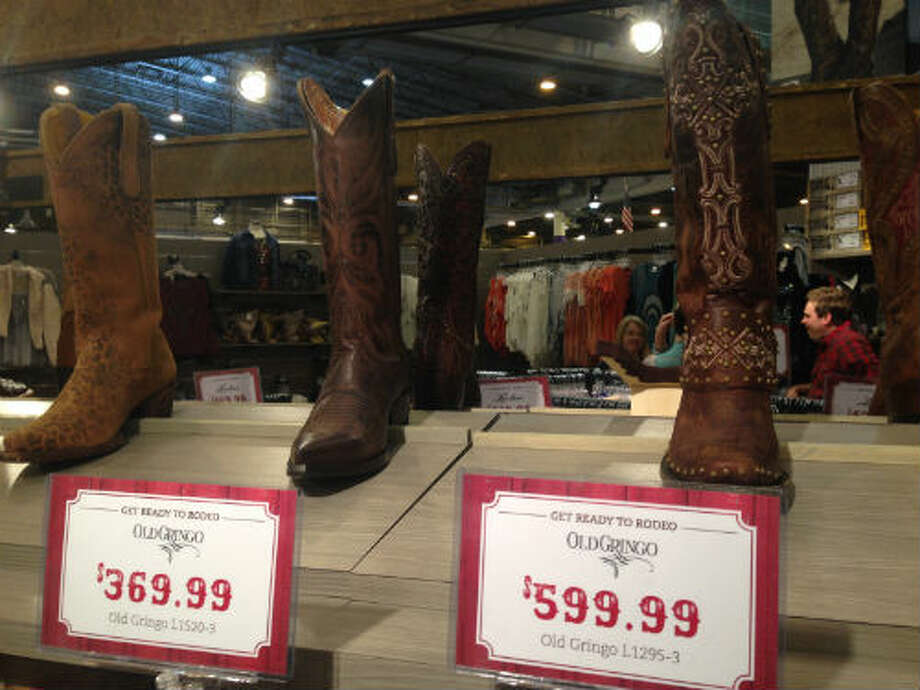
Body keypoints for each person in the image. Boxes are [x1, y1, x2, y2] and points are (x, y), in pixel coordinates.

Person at [786, 286, 879, 399]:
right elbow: (830, 386)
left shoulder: (848, 343)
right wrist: (801, 389)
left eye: (807, 316)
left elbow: (870, 387)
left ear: (826, 318)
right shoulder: (830, 343)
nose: (803, 321)